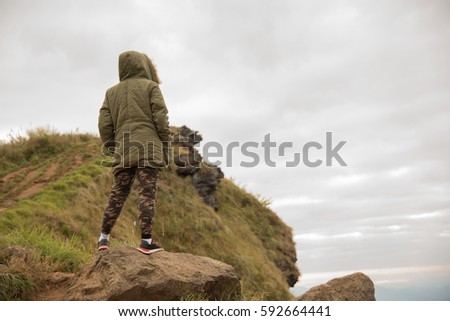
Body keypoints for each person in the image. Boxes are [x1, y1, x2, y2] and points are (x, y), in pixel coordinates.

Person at [97, 50, 171, 254]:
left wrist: (113, 146)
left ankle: (103, 239)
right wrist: (165, 143)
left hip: (123, 148)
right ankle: (146, 241)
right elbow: (161, 118)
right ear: (144, 65)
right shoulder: (150, 87)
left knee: (118, 193)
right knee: (146, 192)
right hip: (148, 147)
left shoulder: (111, 93)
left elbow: (104, 124)